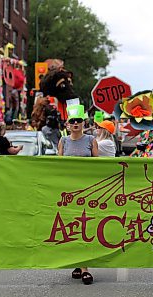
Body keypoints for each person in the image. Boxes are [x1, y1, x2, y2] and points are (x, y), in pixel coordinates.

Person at [57, 102, 98, 285]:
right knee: (71, 228)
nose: (75, 124)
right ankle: (78, 263)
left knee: (86, 227)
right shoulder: (63, 141)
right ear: (67, 124)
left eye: (78, 121)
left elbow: (99, 165)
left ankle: (85, 268)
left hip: (88, 191)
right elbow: (57, 166)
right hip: (67, 191)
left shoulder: (91, 140)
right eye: (72, 121)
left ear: (83, 123)